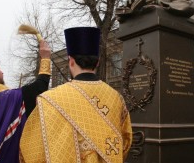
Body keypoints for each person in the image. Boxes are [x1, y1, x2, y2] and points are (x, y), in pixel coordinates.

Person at [20, 27, 132, 162]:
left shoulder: (50, 100)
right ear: (97, 62)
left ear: (71, 61)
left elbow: (32, 149)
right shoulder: (116, 98)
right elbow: (126, 140)